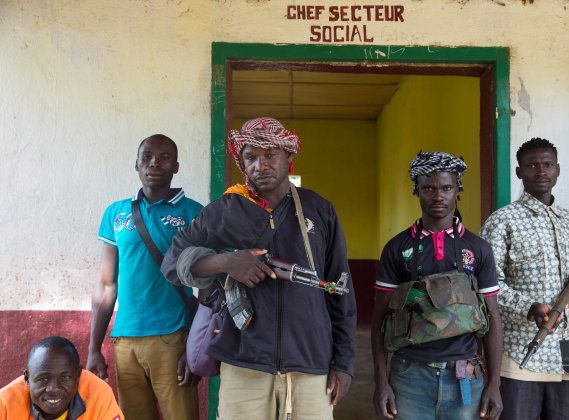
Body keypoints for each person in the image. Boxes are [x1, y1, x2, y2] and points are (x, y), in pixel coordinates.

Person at [161, 117, 357, 420]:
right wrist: (226, 263)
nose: (260, 166)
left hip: (310, 364)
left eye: (270, 156)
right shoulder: (224, 210)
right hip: (243, 365)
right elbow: (172, 263)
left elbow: (341, 291)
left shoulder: (319, 210)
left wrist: (343, 364)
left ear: (288, 158)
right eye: (251, 157)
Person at [480, 138, 569, 420]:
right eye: (532, 165)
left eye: (547, 164)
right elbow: (488, 286)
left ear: (558, 170)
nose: (541, 171)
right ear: (519, 172)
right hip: (520, 355)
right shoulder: (502, 221)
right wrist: (528, 307)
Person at [371, 151, 503, 420]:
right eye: (428, 188)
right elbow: (378, 320)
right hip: (409, 375)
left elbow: (493, 319)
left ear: (457, 191)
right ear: (417, 191)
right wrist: (381, 383)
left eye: (446, 188)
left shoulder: (478, 248)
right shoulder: (398, 248)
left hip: (464, 374)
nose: (438, 196)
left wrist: (494, 385)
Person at [86, 134, 202, 419]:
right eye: (147, 156)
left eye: (164, 157)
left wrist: (195, 345)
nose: (154, 163)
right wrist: (93, 348)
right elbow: (105, 284)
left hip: (173, 339)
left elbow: (212, 285)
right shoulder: (116, 213)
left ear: (176, 166)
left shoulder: (193, 213)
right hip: (125, 341)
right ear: (136, 164)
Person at [0, 336, 123, 419]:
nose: (53, 389)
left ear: (78, 375)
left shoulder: (98, 394)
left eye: (65, 377)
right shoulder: (5, 404)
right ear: (26, 378)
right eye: (43, 379)